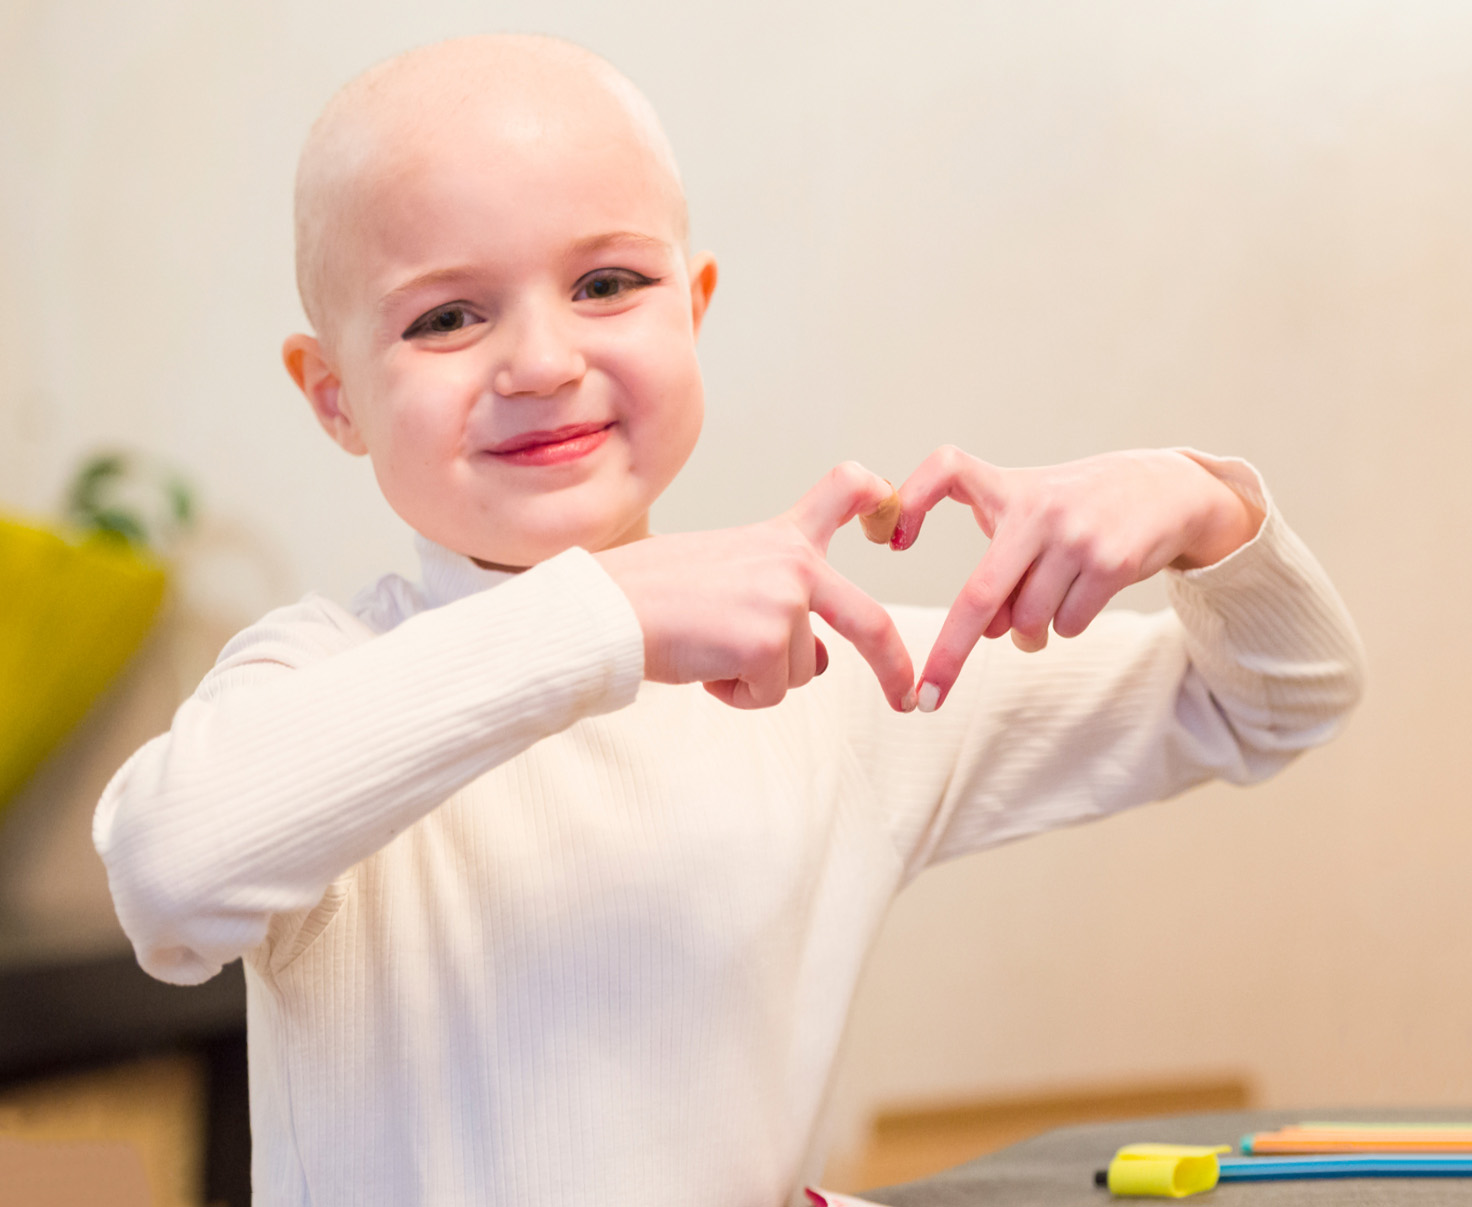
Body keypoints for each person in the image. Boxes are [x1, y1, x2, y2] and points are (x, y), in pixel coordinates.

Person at [92, 33, 1363, 1207]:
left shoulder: (839, 678)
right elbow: (166, 876)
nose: (539, 361)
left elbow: (1273, 697)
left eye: (607, 282)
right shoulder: (323, 680)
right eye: (446, 316)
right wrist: (606, 616)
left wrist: (1205, 503)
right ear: (334, 397)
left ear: (691, 306)